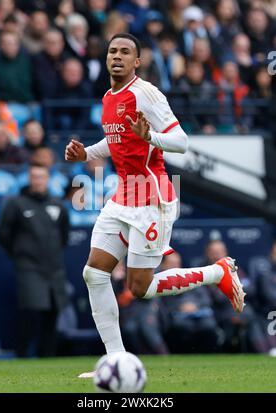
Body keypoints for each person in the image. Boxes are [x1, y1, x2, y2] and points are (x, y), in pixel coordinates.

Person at [65, 33, 246, 377]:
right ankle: (116, 361)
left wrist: (151, 137)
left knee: (140, 288)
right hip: (123, 197)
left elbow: (181, 141)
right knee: (94, 273)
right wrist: (86, 153)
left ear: (137, 62)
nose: (117, 56)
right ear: (106, 59)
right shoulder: (108, 97)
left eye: (125, 52)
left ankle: (216, 272)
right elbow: (115, 140)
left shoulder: (146, 93)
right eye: (112, 50)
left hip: (153, 199)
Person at [0, 163, 70, 357]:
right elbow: (4, 234)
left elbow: (64, 235)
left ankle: (47, 356)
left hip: (54, 268)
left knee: (53, 313)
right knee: (30, 312)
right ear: (30, 180)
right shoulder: (16, 204)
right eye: (35, 177)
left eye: (42, 177)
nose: (38, 181)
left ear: (47, 179)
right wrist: (21, 254)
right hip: (28, 267)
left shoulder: (57, 205)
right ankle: (22, 354)